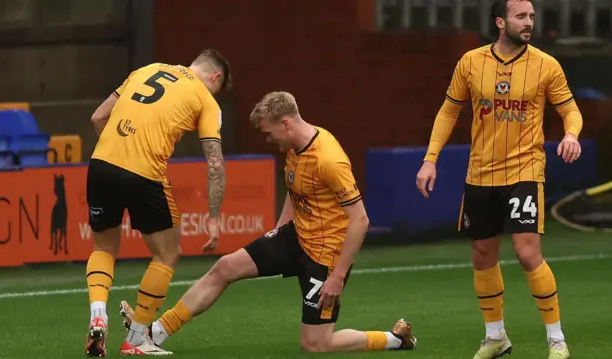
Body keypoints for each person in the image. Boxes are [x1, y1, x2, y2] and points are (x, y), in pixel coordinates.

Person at [119, 91, 418, 354]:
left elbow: (360, 220)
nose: (268, 139)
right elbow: (296, 191)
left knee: (316, 345)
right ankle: (155, 333)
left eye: (269, 132)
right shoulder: (292, 147)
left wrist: (337, 277)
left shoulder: (329, 160)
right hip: (296, 236)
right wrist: (278, 231)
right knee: (225, 267)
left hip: (324, 258)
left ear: (286, 123)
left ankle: (395, 339)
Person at [416, 1, 582, 359]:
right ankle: (496, 338)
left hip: (525, 169)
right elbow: (449, 110)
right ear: (500, 21)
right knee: (482, 255)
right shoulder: (471, 62)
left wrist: (571, 135)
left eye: (532, 17)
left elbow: (570, 109)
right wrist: (430, 159)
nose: (529, 23)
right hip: (481, 172)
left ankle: (556, 341)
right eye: (521, 17)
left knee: (527, 252)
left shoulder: (545, 65)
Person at [84, 49, 232, 357]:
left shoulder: (145, 69)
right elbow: (215, 163)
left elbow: (98, 116)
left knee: (103, 249)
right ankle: (138, 338)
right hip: (144, 173)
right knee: (168, 254)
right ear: (215, 77)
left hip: (100, 164)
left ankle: (98, 312)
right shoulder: (206, 100)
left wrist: (115, 156)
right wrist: (214, 216)